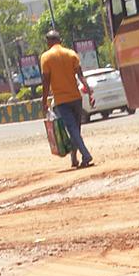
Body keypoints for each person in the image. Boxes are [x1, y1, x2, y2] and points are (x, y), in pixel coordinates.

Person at [41, 27, 94, 170]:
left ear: (48, 42)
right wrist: (89, 92)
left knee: (72, 129)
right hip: (76, 98)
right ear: (60, 40)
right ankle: (74, 158)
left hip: (62, 101)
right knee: (75, 130)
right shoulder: (71, 54)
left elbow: (46, 81)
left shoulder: (46, 57)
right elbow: (81, 76)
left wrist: (44, 101)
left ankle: (86, 155)